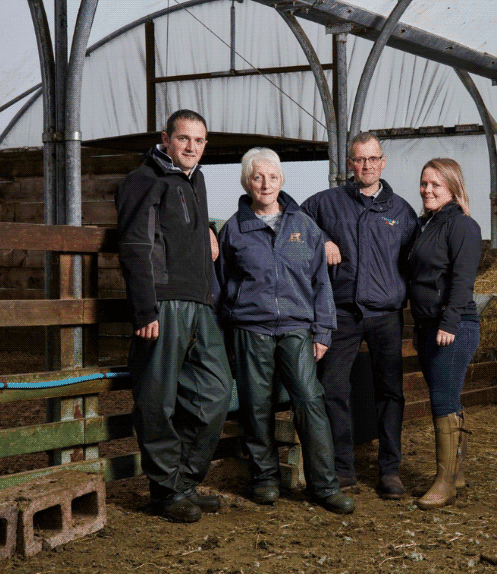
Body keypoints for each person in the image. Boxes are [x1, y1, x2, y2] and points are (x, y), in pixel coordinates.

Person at [215, 148, 355, 515]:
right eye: (258, 177)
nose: (265, 184)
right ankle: (264, 479)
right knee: (256, 405)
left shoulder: (304, 227)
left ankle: (324, 486)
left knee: (310, 401)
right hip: (250, 328)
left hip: (296, 328)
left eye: (272, 177)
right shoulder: (234, 228)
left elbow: (320, 282)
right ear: (247, 181)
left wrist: (323, 331)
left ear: (281, 180)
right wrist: (228, 329)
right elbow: (222, 284)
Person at [116, 109, 232, 523]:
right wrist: (145, 307)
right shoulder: (142, 181)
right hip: (163, 305)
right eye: (184, 139)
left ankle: (183, 481)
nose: (192, 148)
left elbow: (181, 229)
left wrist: (208, 229)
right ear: (166, 138)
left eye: (199, 141)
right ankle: (166, 491)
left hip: (200, 304)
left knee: (217, 391)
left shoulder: (194, 181)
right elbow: (136, 245)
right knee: (157, 399)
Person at [301, 132, 418, 498]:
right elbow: (290, 216)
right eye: (359, 159)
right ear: (349, 164)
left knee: (390, 391)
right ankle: (342, 467)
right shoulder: (326, 203)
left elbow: (417, 260)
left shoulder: (401, 211)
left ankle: (389, 470)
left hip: (385, 314)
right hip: (343, 311)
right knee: (333, 387)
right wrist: (322, 240)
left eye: (372, 159)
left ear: (383, 162)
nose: (366, 166)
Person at [407, 158, 482, 510]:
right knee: (448, 396)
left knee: (442, 401)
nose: (428, 190)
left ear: (452, 186)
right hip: (428, 326)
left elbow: (462, 280)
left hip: (453, 327)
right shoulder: (426, 225)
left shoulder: (462, 226)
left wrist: (449, 323)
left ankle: (445, 482)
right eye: (424, 183)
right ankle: (457, 473)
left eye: (436, 184)